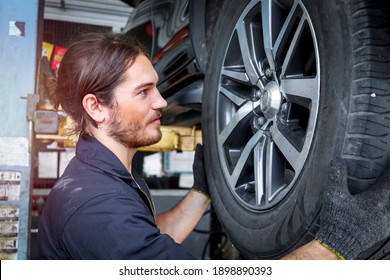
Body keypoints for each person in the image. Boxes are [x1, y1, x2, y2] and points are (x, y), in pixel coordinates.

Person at [37, 31, 390, 260]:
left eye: (157, 87)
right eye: (144, 92)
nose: (162, 102)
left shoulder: (103, 175)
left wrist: (201, 191)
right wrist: (337, 242)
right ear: (95, 107)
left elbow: (145, 239)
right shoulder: (94, 206)